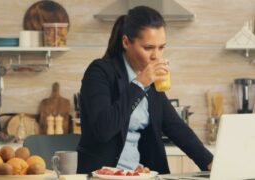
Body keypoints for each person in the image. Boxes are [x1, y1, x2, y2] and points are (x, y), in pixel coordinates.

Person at [77, 6, 213, 174]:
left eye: (161, 47)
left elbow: (176, 127)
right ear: (126, 42)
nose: (156, 56)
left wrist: (210, 162)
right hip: (103, 175)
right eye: (148, 48)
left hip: (139, 174)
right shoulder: (99, 72)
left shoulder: (150, 80)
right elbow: (103, 129)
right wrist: (140, 84)